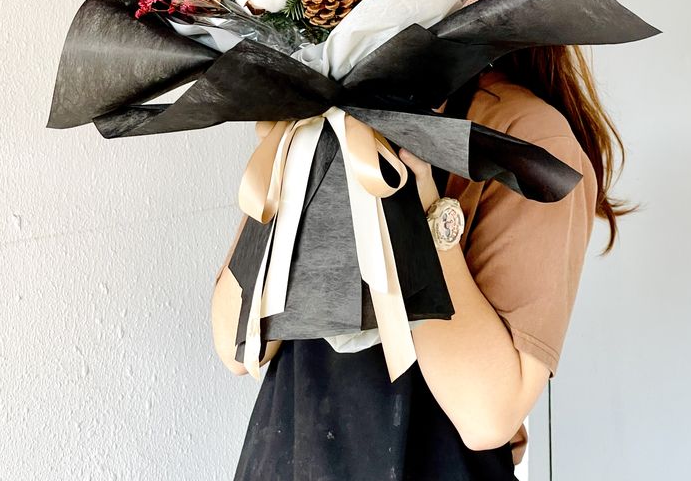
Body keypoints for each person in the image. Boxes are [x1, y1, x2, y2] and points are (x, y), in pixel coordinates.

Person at [212, 43, 630, 480]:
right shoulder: (317, 125)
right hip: (294, 457)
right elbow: (238, 347)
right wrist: (296, 154)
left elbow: (486, 416)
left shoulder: (527, 135)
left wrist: (414, 198)